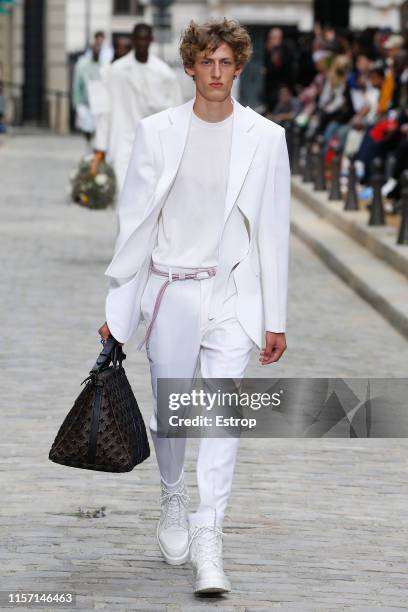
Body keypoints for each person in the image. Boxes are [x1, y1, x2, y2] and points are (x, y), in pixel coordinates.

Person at [98, 18, 291, 595]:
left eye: (225, 62)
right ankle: (173, 495)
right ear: (189, 66)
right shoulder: (157, 133)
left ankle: (211, 538)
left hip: (233, 295)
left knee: (221, 418)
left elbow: (272, 232)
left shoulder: (267, 138)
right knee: (170, 414)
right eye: (205, 61)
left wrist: (274, 317)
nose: (215, 72)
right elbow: (133, 228)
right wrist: (120, 310)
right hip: (172, 289)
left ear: (238, 68)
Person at [89, 23, 183, 189]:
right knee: (122, 192)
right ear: (133, 40)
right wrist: (100, 146)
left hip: (154, 144)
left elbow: (177, 114)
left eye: (145, 39)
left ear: (151, 40)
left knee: (150, 195)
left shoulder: (164, 74)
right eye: (138, 39)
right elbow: (105, 110)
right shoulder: (116, 71)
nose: (141, 43)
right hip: (122, 141)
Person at [72, 32, 107, 142]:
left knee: (98, 130)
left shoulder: (105, 63)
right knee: (87, 128)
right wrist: (77, 102)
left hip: (100, 103)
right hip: (85, 102)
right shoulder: (83, 64)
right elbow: (77, 84)